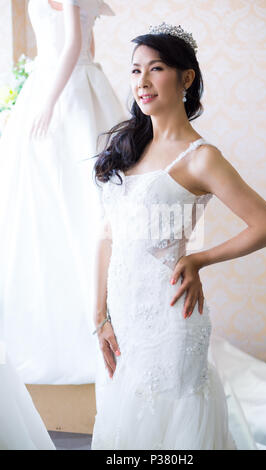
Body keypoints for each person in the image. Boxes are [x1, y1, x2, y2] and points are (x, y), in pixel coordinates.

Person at [90, 23, 266, 450]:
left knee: (175, 424)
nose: (142, 81)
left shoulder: (201, 158)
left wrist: (199, 259)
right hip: (124, 314)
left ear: (186, 77)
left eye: (155, 68)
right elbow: (107, 236)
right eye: (135, 70)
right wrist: (100, 316)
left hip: (171, 316)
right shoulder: (127, 148)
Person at [0, 0, 126, 384]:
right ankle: (55, 326)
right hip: (63, 82)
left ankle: (100, 318)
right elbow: (89, 47)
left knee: (86, 197)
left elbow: (75, 44)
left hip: (64, 89)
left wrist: (49, 101)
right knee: (42, 198)